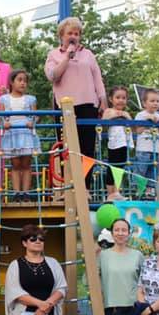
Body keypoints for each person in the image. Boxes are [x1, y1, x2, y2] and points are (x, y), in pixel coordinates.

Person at [44, 17, 106, 188]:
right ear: (61, 35)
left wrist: (103, 100)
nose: (73, 36)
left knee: (87, 149)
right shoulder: (53, 55)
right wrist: (67, 57)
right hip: (64, 107)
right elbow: (52, 76)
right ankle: (68, 188)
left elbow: (97, 78)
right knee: (67, 148)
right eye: (70, 33)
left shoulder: (88, 54)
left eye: (76, 34)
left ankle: (84, 189)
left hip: (88, 104)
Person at [0, 70, 40, 201]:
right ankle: (17, 193)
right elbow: (1, 116)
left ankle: (26, 193)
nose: (23, 83)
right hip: (12, 132)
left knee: (26, 163)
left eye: (25, 81)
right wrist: (4, 123)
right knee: (15, 163)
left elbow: (36, 116)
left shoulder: (31, 99)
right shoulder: (4, 99)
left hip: (26, 132)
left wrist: (32, 122)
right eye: (20, 80)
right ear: (12, 82)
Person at [102, 86, 133, 200]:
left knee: (120, 167)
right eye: (118, 97)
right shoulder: (109, 111)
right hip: (114, 144)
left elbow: (132, 124)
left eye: (123, 98)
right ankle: (110, 193)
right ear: (111, 99)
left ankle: (117, 191)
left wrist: (125, 116)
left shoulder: (126, 113)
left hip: (124, 143)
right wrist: (116, 115)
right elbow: (104, 122)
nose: (121, 100)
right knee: (112, 167)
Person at [132, 89, 159, 187]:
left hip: (155, 150)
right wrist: (147, 122)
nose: (155, 103)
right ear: (144, 103)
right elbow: (137, 131)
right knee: (140, 172)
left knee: (153, 174)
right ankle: (137, 191)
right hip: (143, 150)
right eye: (152, 101)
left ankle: (149, 191)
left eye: (157, 101)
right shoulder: (141, 115)